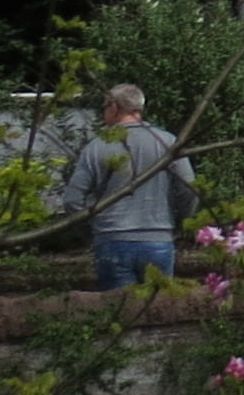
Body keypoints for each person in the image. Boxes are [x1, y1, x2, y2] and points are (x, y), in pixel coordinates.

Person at [63, 84, 189, 289]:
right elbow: (188, 188)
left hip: (111, 241)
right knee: (156, 310)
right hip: (158, 238)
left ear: (113, 108)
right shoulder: (168, 142)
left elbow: (72, 201)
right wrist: (181, 222)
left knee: (120, 313)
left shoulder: (96, 147)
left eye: (104, 107)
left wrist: (93, 231)